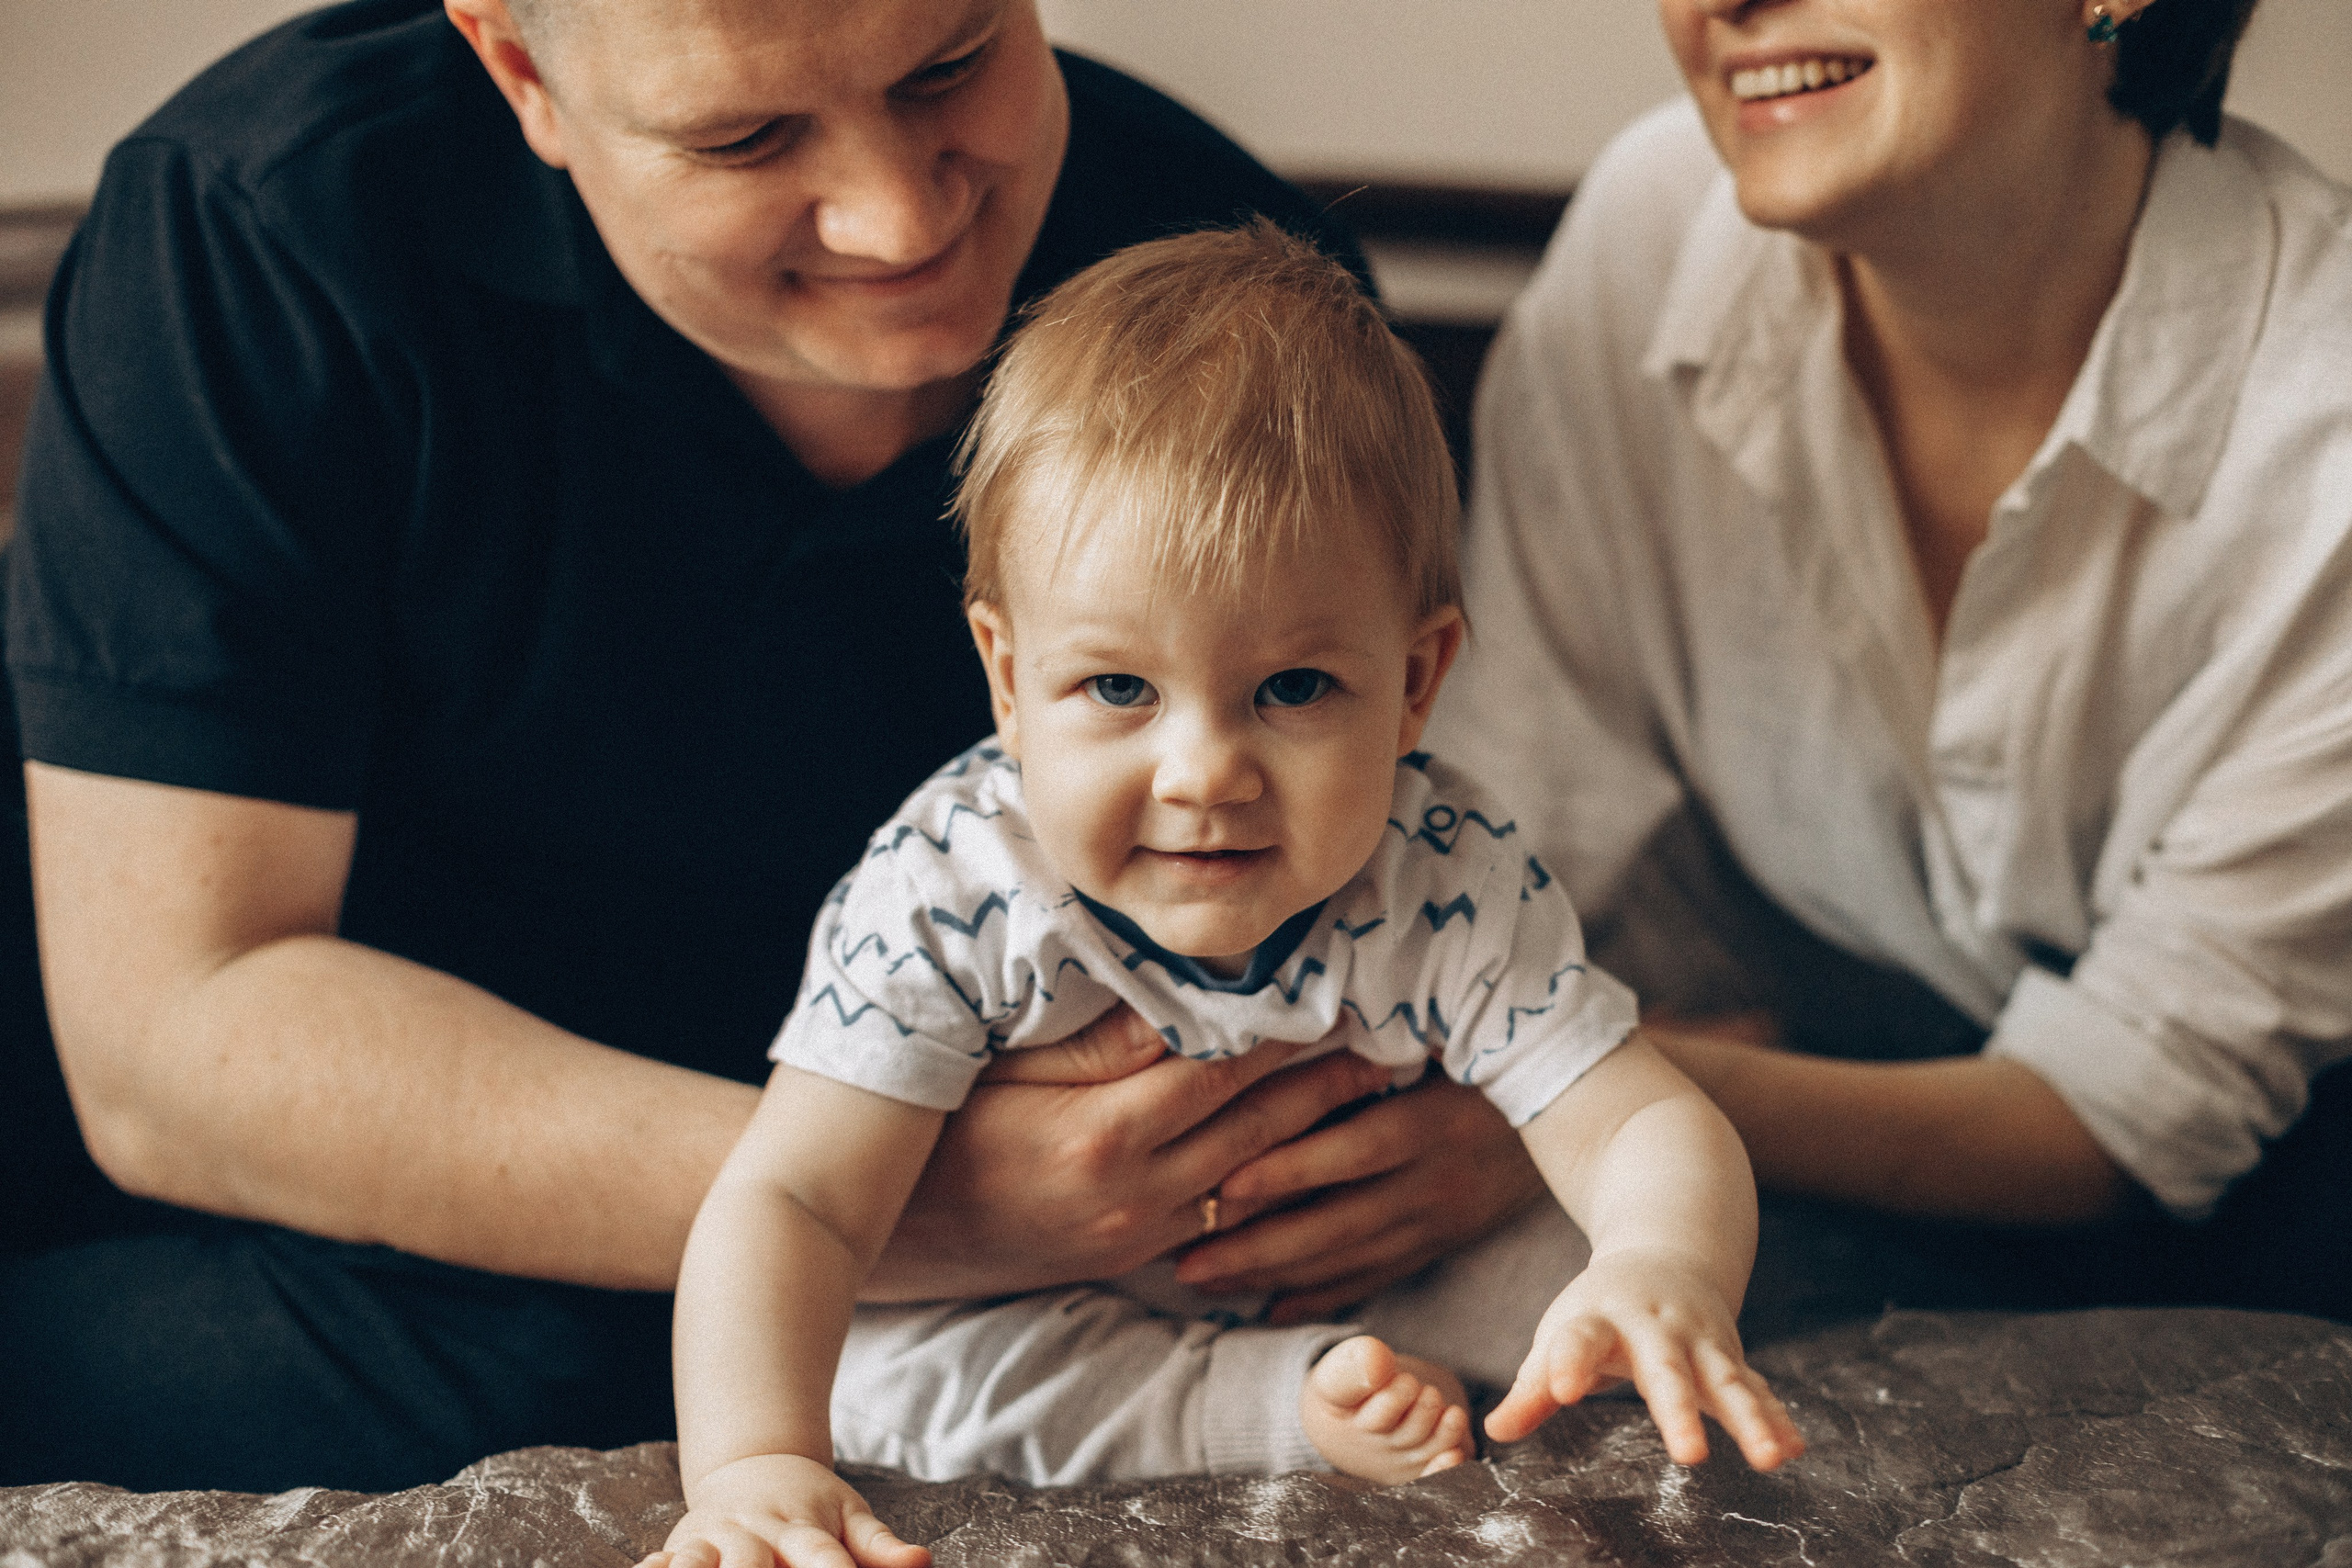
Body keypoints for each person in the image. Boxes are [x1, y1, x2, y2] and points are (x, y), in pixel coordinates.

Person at [0, 0, 1550, 1492]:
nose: (896, 219)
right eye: (742, 140)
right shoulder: (259, 236)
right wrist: (900, 1208)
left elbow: (1354, 895)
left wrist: (1499, 1118)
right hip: (315, 1220)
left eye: (950, 65)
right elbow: (172, 1049)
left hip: (1030, 1241)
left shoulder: (1236, 294)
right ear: (519, 71)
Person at [646, 224, 1801, 1568]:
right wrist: (753, 1468)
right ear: (1009, 680)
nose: (1205, 773)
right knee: (894, 1378)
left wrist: (1663, 1265)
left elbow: (1634, 1115)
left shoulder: (1446, 866)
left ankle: (1362, 1378)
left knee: (1579, 1264)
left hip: (1371, 1268)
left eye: (1293, 690)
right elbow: (795, 1203)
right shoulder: (955, 890)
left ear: (1418, 682)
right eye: (1119, 690)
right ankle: (1275, 1408)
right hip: (1046, 1314)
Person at [1431, 0, 2352, 1337]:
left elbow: (2133, 1119)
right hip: (1761, 1141)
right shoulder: (1655, 230)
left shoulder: (2323, 434)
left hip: (2258, 1247)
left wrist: (1581, 1085)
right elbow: (1498, 835)